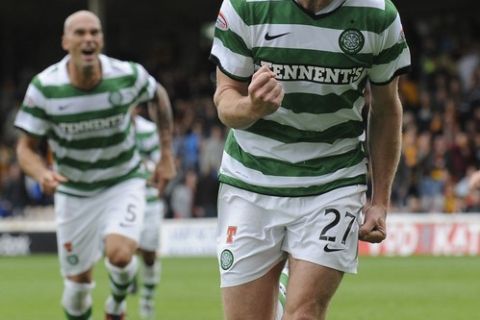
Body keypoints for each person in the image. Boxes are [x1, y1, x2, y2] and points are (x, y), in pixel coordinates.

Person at [210, 0, 410, 319]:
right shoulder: (245, 6)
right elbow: (225, 98)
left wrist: (380, 200)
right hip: (252, 179)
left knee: (304, 313)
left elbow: (387, 109)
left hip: (334, 179)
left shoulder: (379, 15)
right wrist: (252, 107)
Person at [14, 10, 175, 320]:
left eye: (94, 32)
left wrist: (167, 154)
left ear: (101, 39)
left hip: (122, 180)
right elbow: (25, 149)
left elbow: (159, 95)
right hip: (73, 192)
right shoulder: (45, 88)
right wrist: (41, 173)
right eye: (80, 33)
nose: (88, 39)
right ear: (65, 42)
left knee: (120, 254)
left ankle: (116, 303)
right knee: (76, 291)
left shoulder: (127, 75)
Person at [131, 105, 166, 319]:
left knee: (150, 255)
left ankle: (147, 301)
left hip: (150, 200)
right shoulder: (112, 131)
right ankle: (128, 278)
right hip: (123, 200)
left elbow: (160, 162)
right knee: (122, 249)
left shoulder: (148, 130)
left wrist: (148, 169)